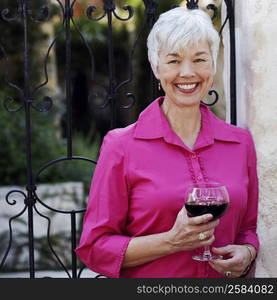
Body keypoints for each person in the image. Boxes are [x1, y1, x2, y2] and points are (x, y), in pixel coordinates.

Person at [75, 7, 259, 278]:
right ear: (156, 67)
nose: (187, 72)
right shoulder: (121, 146)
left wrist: (248, 253)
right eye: (174, 61)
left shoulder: (240, 143)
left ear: (212, 64)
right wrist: (171, 241)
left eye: (199, 59)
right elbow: (95, 248)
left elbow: (248, 229)